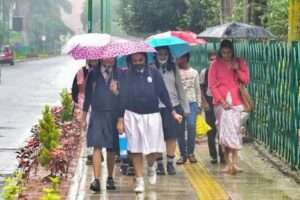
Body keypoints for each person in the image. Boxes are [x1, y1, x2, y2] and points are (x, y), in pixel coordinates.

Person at [117, 52, 182, 193]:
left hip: (152, 114)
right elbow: (122, 99)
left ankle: (151, 167)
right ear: (130, 61)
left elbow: (163, 94)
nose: (138, 62)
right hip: (132, 115)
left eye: (140, 59)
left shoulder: (154, 73)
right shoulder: (126, 76)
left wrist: (174, 112)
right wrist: (120, 119)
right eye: (134, 60)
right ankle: (139, 180)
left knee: (152, 149)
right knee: (135, 148)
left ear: (145, 59)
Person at [208, 39, 250, 174]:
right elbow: (212, 85)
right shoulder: (215, 64)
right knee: (224, 132)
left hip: (236, 102)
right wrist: (222, 101)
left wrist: (237, 70)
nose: (226, 55)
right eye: (224, 52)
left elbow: (246, 80)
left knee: (235, 131)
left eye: (229, 52)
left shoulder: (240, 62)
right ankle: (227, 162)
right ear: (220, 52)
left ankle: (235, 162)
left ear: (233, 51)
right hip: (221, 104)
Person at [81, 57, 121, 192]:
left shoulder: (119, 73)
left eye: (112, 57)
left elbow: (125, 97)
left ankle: (110, 177)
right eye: (107, 57)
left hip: (113, 114)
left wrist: (116, 91)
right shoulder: (93, 73)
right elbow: (87, 96)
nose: (109, 59)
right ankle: (96, 179)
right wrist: (83, 117)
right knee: (97, 146)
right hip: (97, 113)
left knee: (111, 148)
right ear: (101, 58)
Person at [151, 46, 190, 175]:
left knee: (172, 136)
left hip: (173, 106)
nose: (163, 56)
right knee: (157, 137)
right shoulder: (150, 68)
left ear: (169, 55)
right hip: (156, 107)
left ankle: (170, 163)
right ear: (156, 55)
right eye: (160, 54)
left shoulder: (173, 68)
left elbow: (180, 88)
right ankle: (160, 164)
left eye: (165, 54)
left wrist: (185, 107)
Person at [176, 53, 201, 165]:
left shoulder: (194, 72)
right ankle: (182, 154)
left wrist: (199, 105)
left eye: (180, 57)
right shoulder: (176, 72)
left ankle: (190, 153)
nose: (178, 59)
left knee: (191, 126)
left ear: (185, 58)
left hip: (192, 103)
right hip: (179, 103)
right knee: (180, 130)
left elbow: (197, 89)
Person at [199, 51, 224, 164]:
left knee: (222, 130)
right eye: (211, 59)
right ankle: (213, 155)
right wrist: (205, 103)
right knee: (211, 130)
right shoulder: (205, 72)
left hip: (221, 102)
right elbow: (201, 88)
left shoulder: (223, 72)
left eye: (215, 59)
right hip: (209, 102)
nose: (213, 61)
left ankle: (223, 154)